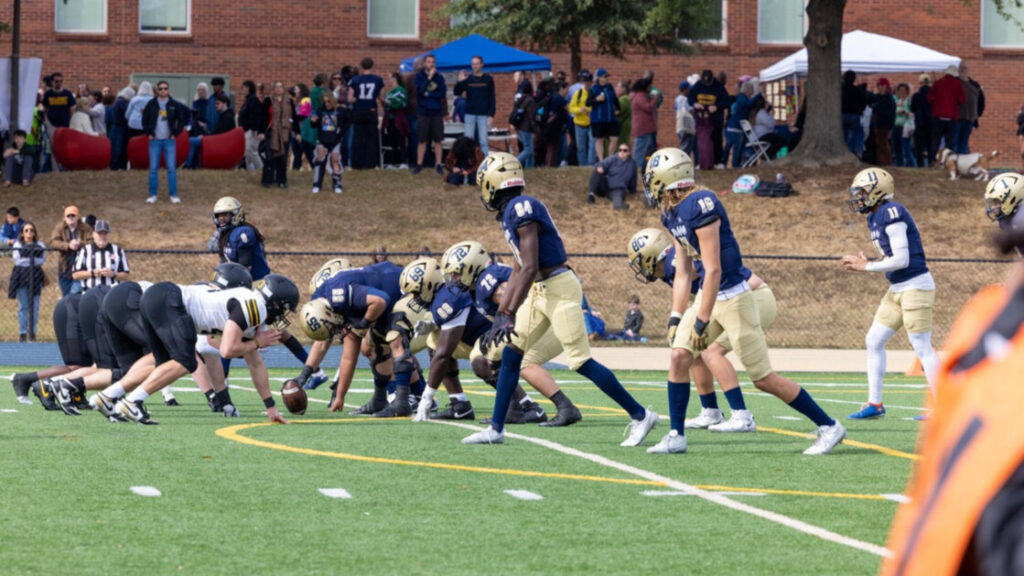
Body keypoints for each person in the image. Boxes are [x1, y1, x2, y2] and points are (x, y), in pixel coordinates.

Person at [643, 148, 845, 454]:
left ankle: (829, 426)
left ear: (669, 178)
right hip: (709, 297)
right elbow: (683, 272)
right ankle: (676, 435)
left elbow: (713, 269)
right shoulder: (670, 214)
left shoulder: (701, 204)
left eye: (654, 177)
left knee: (763, 379)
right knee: (679, 356)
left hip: (735, 298)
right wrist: (675, 317)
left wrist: (701, 321)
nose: (650, 183)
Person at [461, 152, 656, 445]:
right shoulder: (512, 211)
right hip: (541, 291)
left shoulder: (522, 207)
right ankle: (496, 429)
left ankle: (641, 415)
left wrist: (509, 312)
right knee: (512, 352)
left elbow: (529, 266)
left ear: (493, 183)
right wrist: (502, 312)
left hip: (559, 288)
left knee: (580, 361)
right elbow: (517, 269)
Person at [424, 240, 581, 425]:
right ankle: (518, 407)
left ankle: (564, 407)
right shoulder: (480, 283)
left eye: (457, 273)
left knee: (523, 360)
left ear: (471, 268)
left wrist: (505, 322)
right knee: (480, 357)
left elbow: (512, 299)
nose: (455, 278)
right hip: (537, 322)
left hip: (548, 325)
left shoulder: (488, 281)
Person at [107, 275, 299, 425]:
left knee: (164, 365)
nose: (282, 315)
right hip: (167, 299)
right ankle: (132, 402)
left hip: (159, 297)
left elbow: (256, 364)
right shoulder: (255, 307)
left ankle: (112, 397)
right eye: (284, 309)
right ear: (275, 303)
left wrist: (271, 408)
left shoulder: (254, 309)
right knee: (186, 360)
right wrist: (257, 342)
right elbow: (227, 350)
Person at [840, 168, 939, 420]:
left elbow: (902, 259)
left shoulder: (891, 212)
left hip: (915, 285)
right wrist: (872, 261)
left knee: (922, 346)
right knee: (874, 340)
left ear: (877, 192)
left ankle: (944, 405)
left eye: (862, 193)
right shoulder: (874, 216)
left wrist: (867, 266)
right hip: (897, 288)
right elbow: (892, 257)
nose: (858, 199)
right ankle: (875, 404)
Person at [142, 81, 188, 204]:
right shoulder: (151, 104)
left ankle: (173, 195)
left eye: (165, 88)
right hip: (155, 141)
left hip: (169, 141)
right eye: (160, 88)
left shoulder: (174, 104)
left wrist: (175, 133)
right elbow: (144, 120)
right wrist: (149, 134)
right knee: (153, 169)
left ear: (168, 90)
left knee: (171, 168)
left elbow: (182, 119)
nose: (163, 90)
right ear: (157, 90)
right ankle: (152, 195)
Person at [8, 221, 46, 342]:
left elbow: (42, 260)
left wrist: (28, 257)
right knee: (23, 306)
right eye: (26, 230)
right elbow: (17, 261)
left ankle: (33, 333)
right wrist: (31, 257)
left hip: (35, 277)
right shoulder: (18, 244)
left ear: (34, 232)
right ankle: (23, 333)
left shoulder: (40, 244)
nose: (29, 233)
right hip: (21, 277)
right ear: (22, 233)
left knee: (35, 306)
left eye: (31, 230)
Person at [688, 70, 730, 168]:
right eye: (705, 82)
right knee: (701, 141)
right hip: (701, 119)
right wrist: (695, 104)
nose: (706, 84)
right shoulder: (698, 86)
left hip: (715, 119)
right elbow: (690, 98)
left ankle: (718, 161)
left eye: (708, 82)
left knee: (716, 139)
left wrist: (716, 107)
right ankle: (700, 162)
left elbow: (726, 101)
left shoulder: (719, 87)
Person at [347, 58, 384, 170]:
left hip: (359, 110)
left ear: (362, 66)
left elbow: (349, 99)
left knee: (358, 138)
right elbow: (381, 97)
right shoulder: (378, 80)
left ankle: (357, 163)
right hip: (371, 110)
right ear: (372, 66)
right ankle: (370, 163)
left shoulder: (355, 80)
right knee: (371, 138)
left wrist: (357, 98)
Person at [71, 220, 129, 289]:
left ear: (109, 235)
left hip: (111, 292)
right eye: (100, 233)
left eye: (105, 233)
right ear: (93, 234)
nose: (102, 236)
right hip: (90, 292)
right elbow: (75, 275)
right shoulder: (85, 250)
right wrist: (92, 273)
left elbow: (126, 275)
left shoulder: (118, 251)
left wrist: (113, 274)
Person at [455, 56, 495, 155]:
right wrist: (460, 81)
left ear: (482, 65)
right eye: (473, 64)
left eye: (477, 64)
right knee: (468, 141)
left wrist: (491, 114)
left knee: (483, 141)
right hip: (469, 114)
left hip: (483, 114)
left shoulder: (488, 79)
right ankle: (468, 163)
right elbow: (457, 92)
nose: (475, 66)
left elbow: (492, 97)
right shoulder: (468, 79)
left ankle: (485, 163)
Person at [310, 90, 348, 194]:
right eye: (325, 101)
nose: (327, 103)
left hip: (335, 140)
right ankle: (317, 184)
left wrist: (340, 134)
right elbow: (314, 125)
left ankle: (337, 184)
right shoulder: (319, 110)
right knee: (320, 159)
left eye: (328, 101)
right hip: (322, 139)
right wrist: (313, 121)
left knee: (335, 161)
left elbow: (347, 123)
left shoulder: (340, 110)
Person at [414, 54, 447, 175]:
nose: (431, 64)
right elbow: (420, 91)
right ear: (424, 64)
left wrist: (429, 94)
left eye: (433, 62)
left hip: (436, 112)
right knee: (422, 140)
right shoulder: (419, 77)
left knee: (438, 140)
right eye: (428, 62)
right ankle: (419, 164)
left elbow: (442, 93)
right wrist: (428, 78)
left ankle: (438, 164)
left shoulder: (439, 78)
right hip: (423, 112)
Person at [50, 205, 93, 296]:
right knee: (66, 297)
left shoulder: (86, 228)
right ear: (64, 218)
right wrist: (68, 245)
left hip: (81, 267)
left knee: (74, 294)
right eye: (68, 216)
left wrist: (80, 244)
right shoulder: (60, 227)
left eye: (73, 215)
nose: (71, 218)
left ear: (78, 217)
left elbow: (92, 242)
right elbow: (53, 242)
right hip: (65, 267)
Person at [261, 81, 293, 188]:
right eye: (276, 87)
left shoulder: (289, 101)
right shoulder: (268, 100)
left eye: (280, 87)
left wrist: (297, 132)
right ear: (273, 89)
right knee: (270, 157)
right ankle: (267, 180)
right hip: (272, 131)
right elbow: (263, 116)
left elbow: (294, 118)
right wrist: (261, 131)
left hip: (284, 132)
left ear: (283, 89)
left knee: (283, 157)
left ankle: (282, 180)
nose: (278, 89)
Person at [928, 65, 965, 156]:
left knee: (935, 140)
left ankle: (933, 160)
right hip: (951, 117)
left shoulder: (938, 83)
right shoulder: (958, 84)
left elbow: (930, 98)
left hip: (938, 116)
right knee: (950, 142)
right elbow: (962, 100)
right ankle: (948, 160)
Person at [984, 173, 1024, 256]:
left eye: (997, 202)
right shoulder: (1009, 221)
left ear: (1013, 200)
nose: (993, 207)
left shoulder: (1018, 223)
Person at [588, 143, 637, 210]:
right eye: (620, 150)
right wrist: (600, 167)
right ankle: (591, 195)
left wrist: (633, 191)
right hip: (605, 186)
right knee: (596, 171)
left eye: (625, 150)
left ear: (629, 152)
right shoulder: (613, 158)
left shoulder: (632, 165)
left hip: (618, 189)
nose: (622, 152)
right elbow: (599, 164)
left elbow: (633, 178)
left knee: (618, 196)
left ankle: (618, 206)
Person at [42, 71, 75, 170]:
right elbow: (45, 109)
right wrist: (47, 122)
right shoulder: (48, 94)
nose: (59, 83)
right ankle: (55, 169)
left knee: (65, 147)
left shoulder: (67, 94)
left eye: (61, 81)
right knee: (53, 147)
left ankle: (65, 167)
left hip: (65, 125)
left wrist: (71, 122)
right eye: (56, 81)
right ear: (52, 82)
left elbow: (72, 109)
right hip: (52, 125)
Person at [587, 68, 620, 162]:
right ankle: (601, 160)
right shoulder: (593, 89)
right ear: (599, 78)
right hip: (598, 119)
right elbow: (588, 103)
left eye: (607, 77)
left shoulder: (610, 87)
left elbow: (615, 100)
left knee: (614, 138)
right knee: (599, 139)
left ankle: (610, 158)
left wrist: (618, 109)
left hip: (611, 118)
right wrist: (597, 100)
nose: (606, 79)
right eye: (604, 77)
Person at [381, 73, 410, 169]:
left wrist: (389, 104)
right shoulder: (390, 92)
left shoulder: (400, 90)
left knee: (400, 140)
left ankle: (404, 162)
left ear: (394, 79)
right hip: (389, 118)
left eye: (389, 78)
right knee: (392, 141)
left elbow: (402, 103)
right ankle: (393, 162)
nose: (388, 80)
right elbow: (386, 105)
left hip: (398, 118)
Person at [238, 80, 268, 171]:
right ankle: (249, 169)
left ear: (248, 88)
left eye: (243, 88)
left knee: (251, 150)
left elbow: (256, 116)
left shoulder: (253, 100)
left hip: (251, 130)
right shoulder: (248, 100)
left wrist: (255, 129)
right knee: (246, 152)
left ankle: (261, 169)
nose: (242, 90)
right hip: (245, 130)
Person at [955, 63, 983, 155]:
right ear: (958, 70)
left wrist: (976, 114)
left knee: (964, 142)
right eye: (961, 68)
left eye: (965, 68)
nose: (963, 70)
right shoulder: (955, 83)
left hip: (970, 118)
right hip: (956, 118)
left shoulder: (975, 85)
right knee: (955, 142)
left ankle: (964, 162)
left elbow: (981, 102)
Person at [568, 70, 595, 166]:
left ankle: (590, 164)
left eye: (589, 81)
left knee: (593, 145)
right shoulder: (578, 93)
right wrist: (580, 110)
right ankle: (582, 165)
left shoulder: (593, 92)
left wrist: (588, 109)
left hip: (591, 123)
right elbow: (571, 108)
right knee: (581, 148)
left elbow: (595, 105)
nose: (587, 83)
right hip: (579, 124)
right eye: (585, 81)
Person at [631, 78, 658, 169]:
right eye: (649, 86)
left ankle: (644, 166)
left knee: (647, 149)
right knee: (640, 149)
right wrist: (655, 99)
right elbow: (648, 107)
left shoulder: (641, 96)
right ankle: (637, 167)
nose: (651, 88)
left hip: (645, 128)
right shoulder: (640, 97)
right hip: (643, 128)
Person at [841, 70, 868, 156]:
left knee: (844, 134)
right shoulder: (858, 90)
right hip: (855, 115)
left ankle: (844, 151)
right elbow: (863, 103)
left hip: (843, 114)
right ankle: (850, 152)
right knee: (853, 135)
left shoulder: (840, 90)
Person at [869, 78, 896, 166]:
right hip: (878, 123)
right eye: (879, 86)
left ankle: (886, 162)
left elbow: (888, 111)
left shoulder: (889, 98)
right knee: (879, 144)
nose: (880, 88)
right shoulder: (878, 97)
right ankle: (880, 161)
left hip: (884, 124)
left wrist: (876, 108)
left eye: (882, 86)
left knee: (883, 144)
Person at [511, 80, 537, 168]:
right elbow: (532, 116)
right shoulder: (530, 100)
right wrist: (535, 129)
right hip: (526, 127)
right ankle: (513, 163)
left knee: (530, 149)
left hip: (519, 127)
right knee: (528, 149)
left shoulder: (521, 99)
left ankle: (530, 167)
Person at [185, 82, 211, 169]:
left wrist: (205, 125)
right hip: (196, 128)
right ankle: (192, 164)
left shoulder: (209, 103)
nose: (200, 91)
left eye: (202, 90)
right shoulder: (195, 103)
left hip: (206, 128)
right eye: (199, 90)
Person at [109, 86, 134, 170]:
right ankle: (118, 166)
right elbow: (128, 114)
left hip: (116, 128)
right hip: (121, 128)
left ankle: (115, 166)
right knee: (119, 148)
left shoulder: (117, 101)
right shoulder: (122, 103)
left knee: (116, 147)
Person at [910, 74, 933, 167]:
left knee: (919, 147)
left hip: (920, 123)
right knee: (930, 146)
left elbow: (912, 108)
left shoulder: (916, 95)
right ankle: (931, 163)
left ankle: (920, 165)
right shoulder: (934, 94)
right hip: (932, 123)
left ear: (920, 83)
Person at [894, 83, 916, 167]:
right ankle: (899, 165)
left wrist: (905, 112)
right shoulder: (897, 101)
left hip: (905, 127)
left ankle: (911, 164)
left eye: (904, 90)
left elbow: (913, 114)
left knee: (906, 148)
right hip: (896, 126)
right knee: (897, 148)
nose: (902, 92)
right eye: (900, 90)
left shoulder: (909, 101)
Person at [675, 81, 696, 155]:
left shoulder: (677, 99)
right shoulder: (685, 99)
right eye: (688, 89)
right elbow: (691, 111)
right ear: (684, 89)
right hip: (687, 127)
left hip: (680, 126)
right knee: (686, 149)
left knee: (683, 146)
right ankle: (683, 164)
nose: (690, 90)